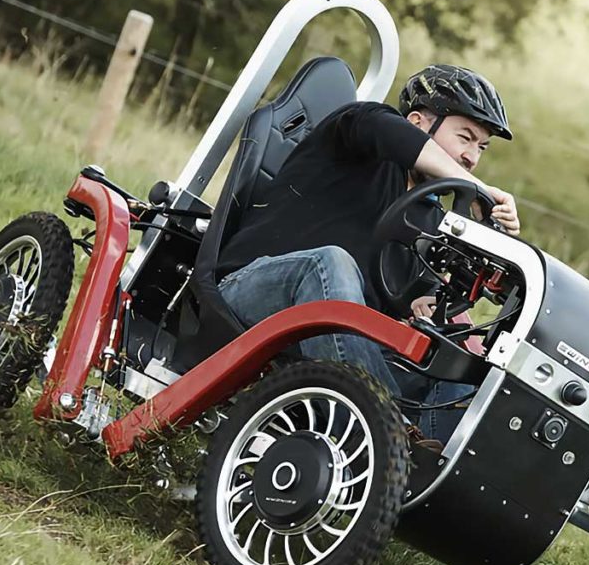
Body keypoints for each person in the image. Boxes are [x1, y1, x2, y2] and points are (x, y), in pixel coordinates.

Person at [215, 64, 520, 442]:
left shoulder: (430, 220)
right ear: (418, 122)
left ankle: (436, 478)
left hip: (326, 339)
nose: (472, 157)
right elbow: (385, 131)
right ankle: (384, 432)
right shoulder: (359, 132)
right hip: (249, 291)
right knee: (330, 262)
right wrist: (477, 189)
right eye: (465, 137)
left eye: (481, 148)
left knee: (461, 360)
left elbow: (416, 303)